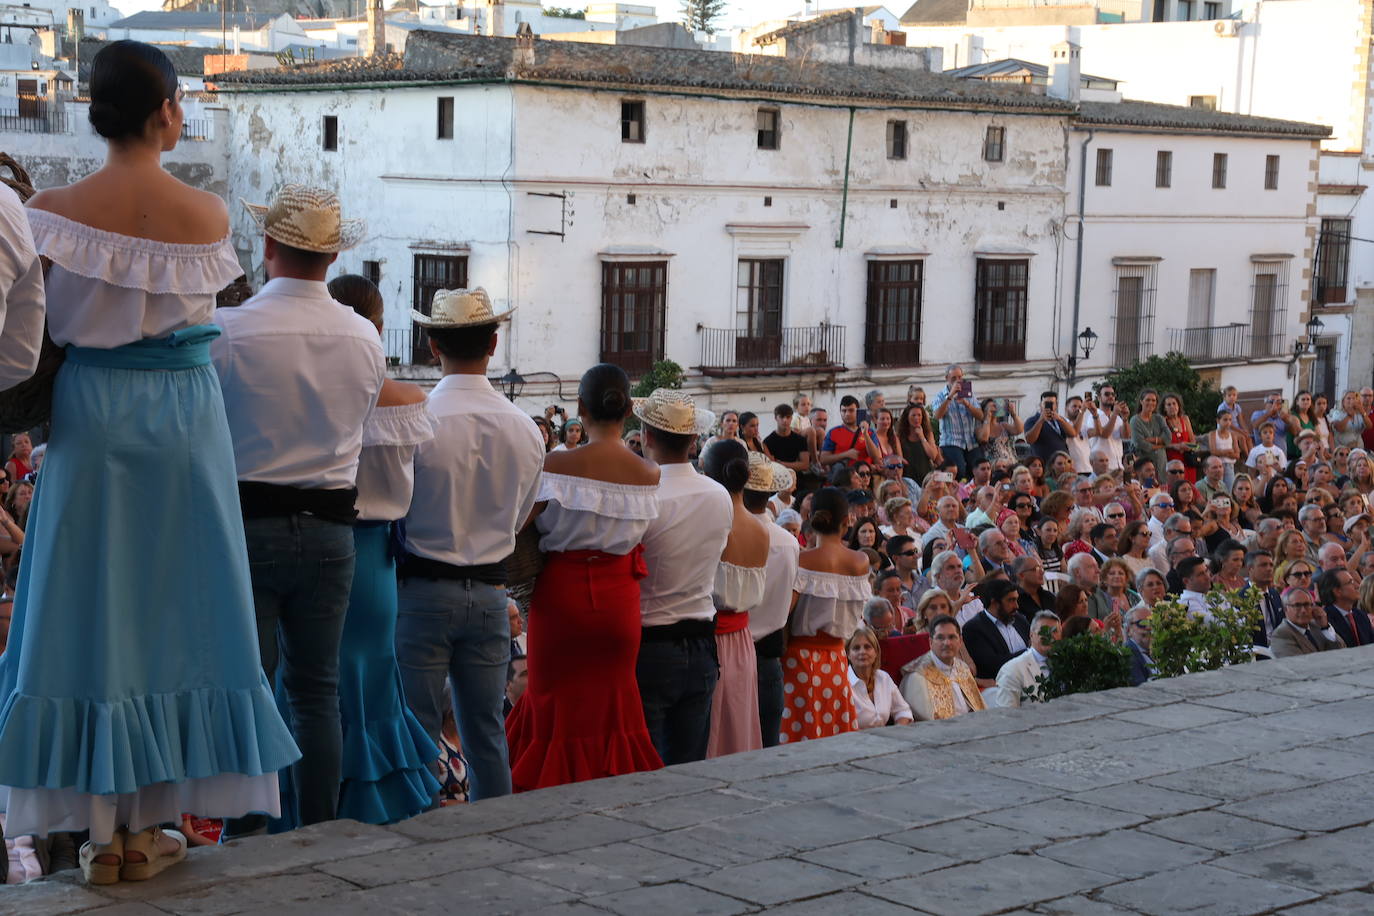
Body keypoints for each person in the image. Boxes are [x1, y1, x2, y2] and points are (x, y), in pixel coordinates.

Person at [0, 41, 298, 883]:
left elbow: (34, 333)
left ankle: (101, 836)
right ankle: (154, 826)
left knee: (91, 612)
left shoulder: (48, 209)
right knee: (180, 612)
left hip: (92, 413)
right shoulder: (206, 215)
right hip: (182, 419)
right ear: (166, 109)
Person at [214, 183, 386, 837]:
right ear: (334, 256)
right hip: (329, 534)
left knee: (252, 688)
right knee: (318, 691)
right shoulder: (365, 342)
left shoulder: (229, 332)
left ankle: (249, 830)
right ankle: (320, 829)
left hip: (248, 530)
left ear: (267, 248)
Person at [272, 274, 440, 829]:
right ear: (378, 325)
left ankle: (300, 804)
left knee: (305, 679)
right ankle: (368, 804)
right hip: (375, 563)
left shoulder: (309, 393)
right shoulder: (408, 400)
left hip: (319, 543)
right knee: (365, 678)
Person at [396, 288, 544, 802]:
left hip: (423, 594)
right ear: (494, 345)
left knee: (416, 730)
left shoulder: (416, 420)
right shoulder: (526, 429)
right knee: (486, 733)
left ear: (433, 345)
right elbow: (521, 517)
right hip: (487, 595)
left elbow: (398, 507)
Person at [505, 364, 662, 791]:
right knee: (615, 702)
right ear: (629, 410)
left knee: (553, 703)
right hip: (619, 604)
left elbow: (516, 525)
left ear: (580, 408)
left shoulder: (556, 463)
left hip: (562, 600)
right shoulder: (649, 474)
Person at [635, 390, 733, 763]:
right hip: (702, 644)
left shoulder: (646, 495)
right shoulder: (718, 495)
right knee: (689, 766)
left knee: (646, 765)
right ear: (694, 441)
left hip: (652, 645)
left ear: (646, 436)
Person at [781, 486, 868, 743]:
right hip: (837, 657)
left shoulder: (801, 560)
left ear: (809, 518)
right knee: (834, 732)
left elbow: (785, 611)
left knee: (800, 730)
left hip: (799, 658)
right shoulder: (860, 561)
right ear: (846, 520)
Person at [702, 444, 769, 758]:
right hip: (742, 641)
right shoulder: (761, 530)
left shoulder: (713, 523)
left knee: (712, 729)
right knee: (737, 724)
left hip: (711, 640)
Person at [744, 463, 800, 748]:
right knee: (767, 740)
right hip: (769, 650)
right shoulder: (788, 542)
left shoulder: (732, 534)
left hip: (741, 646)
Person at [900, 615, 985, 721]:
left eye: (952, 637)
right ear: (930, 642)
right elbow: (926, 722)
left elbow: (979, 708)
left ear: (960, 641)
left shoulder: (962, 668)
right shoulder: (917, 677)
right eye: (940, 637)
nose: (947, 643)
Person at [960, 579, 1029, 684]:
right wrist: (1032, 652)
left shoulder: (1019, 619)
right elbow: (994, 665)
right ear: (994, 602)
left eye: (1016, 600)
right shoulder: (974, 629)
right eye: (1011, 600)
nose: (1016, 606)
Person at [989, 611, 1059, 708]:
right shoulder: (1012, 670)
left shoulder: (1068, 663)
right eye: (1043, 630)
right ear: (1031, 635)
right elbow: (1006, 717)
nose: (1049, 635)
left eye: (1054, 631)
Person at [845, 627, 913, 728]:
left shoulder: (883, 678)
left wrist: (897, 731)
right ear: (848, 655)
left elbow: (903, 711)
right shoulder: (843, 683)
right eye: (856, 648)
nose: (862, 652)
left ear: (876, 652)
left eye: (867, 647)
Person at [930, 364, 983, 478]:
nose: (958, 381)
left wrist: (966, 403)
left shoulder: (969, 394)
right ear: (947, 379)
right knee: (959, 472)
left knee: (979, 470)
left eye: (960, 377)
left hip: (970, 441)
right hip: (951, 441)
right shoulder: (940, 396)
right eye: (954, 378)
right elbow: (937, 415)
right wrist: (950, 396)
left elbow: (980, 415)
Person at [1270, 587, 1344, 657]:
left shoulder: (1317, 626)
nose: (1303, 610)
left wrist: (1325, 627)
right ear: (1285, 609)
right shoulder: (1282, 634)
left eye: (1307, 605)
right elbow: (1297, 665)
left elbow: (1342, 650)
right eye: (1297, 605)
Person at [1317, 567, 1374, 648]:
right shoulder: (1325, 619)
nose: (1357, 585)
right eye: (1350, 582)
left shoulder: (1361, 615)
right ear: (1337, 591)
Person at [821, 395, 880, 468]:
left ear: (858, 411)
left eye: (851, 410)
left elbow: (875, 456)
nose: (847, 414)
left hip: (865, 476)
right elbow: (823, 459)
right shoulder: (833, 432)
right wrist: (845, 455)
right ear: (840, 412)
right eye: (844, 410)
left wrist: (865, 434)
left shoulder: (870, 432)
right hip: (843, 476)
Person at [1085, 384, 1128, 471]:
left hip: (1118, 465)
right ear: (1099, 397)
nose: (1111, 397)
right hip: (1103, 466)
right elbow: (1104, 434)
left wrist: (1125, 419)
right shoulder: (1093, 416)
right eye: (1107, 394)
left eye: (1113, 394)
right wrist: (1115, 414)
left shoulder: (1117, 417)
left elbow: (1126, 436)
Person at [1024, 391, 1073, 466]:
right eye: (1046, 403)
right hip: (1043, 463)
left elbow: (1072, 433)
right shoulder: (1032, 420)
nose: (1049, 406)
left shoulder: (1060, 419)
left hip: (1062, 463)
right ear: (1040, 405)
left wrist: (1060, 419)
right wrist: (1041, 420)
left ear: (1056, 405)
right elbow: (1030, 440)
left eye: (1052, 403)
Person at [765, 403, 810, 480]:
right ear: (776, 418)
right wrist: (796, 465)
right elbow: (772, 466)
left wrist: (781, 464)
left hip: (797, 480)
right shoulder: (768, 441)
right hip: (777, 480)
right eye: (781, 417)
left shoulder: (800, 439)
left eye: (788, 417)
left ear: (791, 418)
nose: (785, 420)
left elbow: (805, 465)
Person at [1130, 389, 1169, 476]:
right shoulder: (1135, 420)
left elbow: (1168, 438)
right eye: (1147, 400)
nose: (1151, 402)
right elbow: (1139, 443)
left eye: (1153, 400)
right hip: (1144, 466)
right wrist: (1161, 445)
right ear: (1141, 401)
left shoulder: (1159, 418)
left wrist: (1151, 440)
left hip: (1161, 464)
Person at [1161, 393, 1197, 483]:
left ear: (1178, 405)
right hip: (1172, 462)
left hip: (1188, 460)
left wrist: (1187, 446)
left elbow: (1194, 442)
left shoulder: (1185, 419)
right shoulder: (1162, 421)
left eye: (1174, 403)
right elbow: (1159, 444)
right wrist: (1175, 446)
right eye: (1169, 404)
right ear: (1164, 408)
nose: (1172, 406)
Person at [1124, 606, 1157, 685]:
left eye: (1151, 622)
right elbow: (1140, 687)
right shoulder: (1127, 654)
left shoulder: (1158, 649)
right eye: (1142, 623)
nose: (1149, 627)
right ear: (1129, 630)